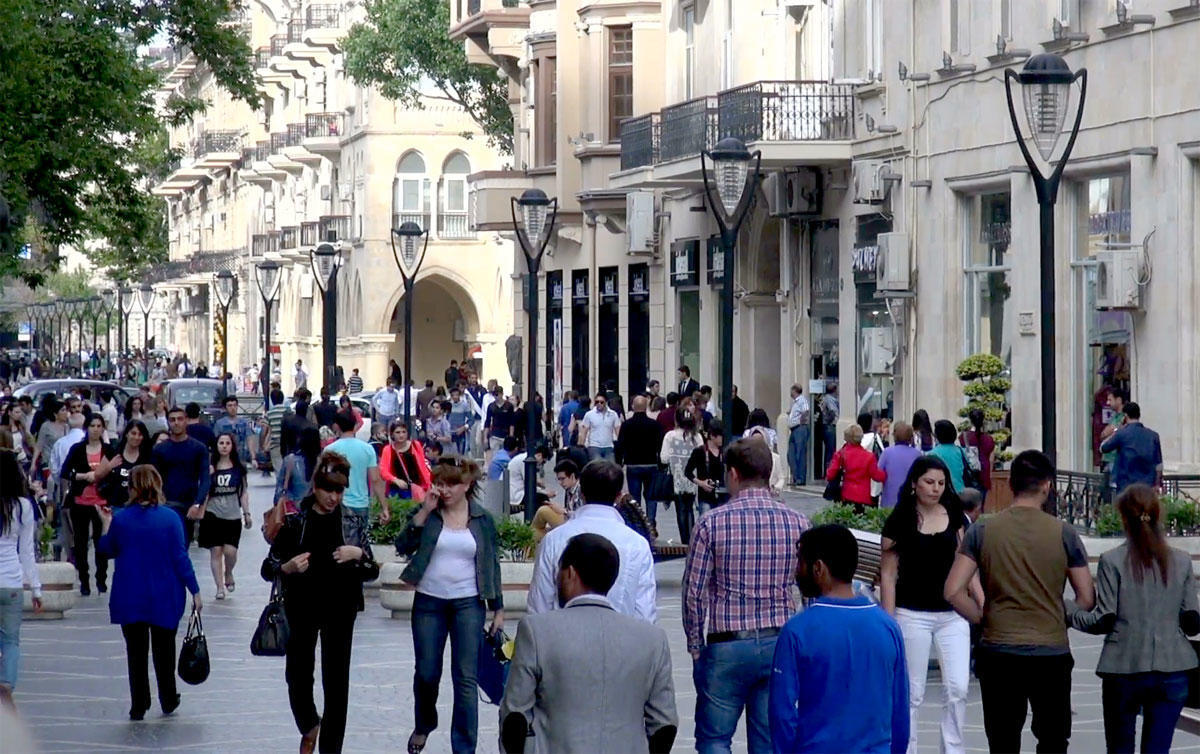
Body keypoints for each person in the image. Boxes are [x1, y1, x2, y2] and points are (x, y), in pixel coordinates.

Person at [944, 449, 1095, 754]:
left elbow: (952, 590)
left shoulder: (983, 530)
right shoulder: (1063, 533)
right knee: (1053, 740)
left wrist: (982, 616)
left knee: (1002, 740)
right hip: (1050, 650)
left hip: (999, 647)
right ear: (1047, 485)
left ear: (1010, 485)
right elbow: (1086, 597)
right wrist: (1062, 612)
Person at [682, 438, 810, 754]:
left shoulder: (711, 522)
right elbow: (808, 590)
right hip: (779, 639)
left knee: (714, 739)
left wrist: (696, 646)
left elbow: (694, 593)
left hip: (727, 641)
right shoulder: (797, 523)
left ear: (734, 474)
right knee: (768, 740)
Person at [500, 533, 678, 754]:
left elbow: (514, 717)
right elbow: (665, 724)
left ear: (570, 573)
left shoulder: (537, 630)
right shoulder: (652, 639)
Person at [261, 451, 379, 754]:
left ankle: (331, 749)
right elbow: (268, 566)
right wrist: (286, 567)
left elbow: (372, 569)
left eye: (339, 491)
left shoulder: (352, 520)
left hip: (341, 608)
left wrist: (359, 555)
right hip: (301, 607)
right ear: (316, 487)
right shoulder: (295, 519)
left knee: (337, 683)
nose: (334, 498)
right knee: (298, 675)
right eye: (329, 490)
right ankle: (310, 724)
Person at [1069, 484, 1199, 753]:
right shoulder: (1182, 561)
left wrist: (1070, 613)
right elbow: (1192, 621)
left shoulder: (1112, 560)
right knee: (1158, 748)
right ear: (1157, 514)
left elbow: (1104, 619)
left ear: (1123, 517)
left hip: (1123, 668)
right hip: (1173, 666)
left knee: (1119, 747)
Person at [769, 524, 909, 754]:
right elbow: (900, 708)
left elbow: (782, 712)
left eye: (800, 562)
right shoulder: (888, 627)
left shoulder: (797, 631)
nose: (796, 571)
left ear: (818, 568)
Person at [396, 457, 503, 754]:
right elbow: (402, 544)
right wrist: (424, 512)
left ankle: (464, 748)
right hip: (429, 602)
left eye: (451, 484)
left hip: (468, 603)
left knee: (466, 678)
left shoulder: (482, 519)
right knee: (427, 672)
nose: (443, 489)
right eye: (439, 482)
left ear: (467, 485)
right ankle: (424, 723)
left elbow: (491, 563)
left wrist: (498, 609)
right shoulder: (429, 513)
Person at [881, 457, 980, 754]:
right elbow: (888, 575)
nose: (935, 489)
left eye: (940, 483)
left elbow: (968, 568)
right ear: (914, 483)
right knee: (912, 693)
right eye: (928, 482)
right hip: (911, 613)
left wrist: (982, 604)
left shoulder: (958, 518)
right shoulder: (899, 520)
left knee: (958, 688)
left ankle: (952, 749)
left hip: (953, 614)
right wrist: (889, 621)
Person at [97, 466, 202, 721]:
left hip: (130, 594)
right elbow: (180, 557)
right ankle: (168, 697)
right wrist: (195, 590)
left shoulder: (121, 519)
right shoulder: (170, 518)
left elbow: (107, 549)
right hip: (165, 594)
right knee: (164, 651)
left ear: (132, 487)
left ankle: (139, 703)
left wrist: (105, 525)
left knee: (136, 652)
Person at [528, 460, 657, 622]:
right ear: (618, 496)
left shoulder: (553, 540)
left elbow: (540, 603)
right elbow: (645, 612)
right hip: (620, 641)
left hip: (564, 641)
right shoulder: (637, 544)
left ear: (582, 493)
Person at [0, 451, 42, 710]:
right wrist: (36, 588)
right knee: (11, 640)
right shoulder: (23, 506)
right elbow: (27, 551)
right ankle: (6, 685)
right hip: (11, 581)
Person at [60, 414, 116, 595]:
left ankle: (101, 578)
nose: (96, 429)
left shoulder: (108, 450)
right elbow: (65, 471)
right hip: (80, 501)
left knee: (101, 541)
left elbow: (115, 473)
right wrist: (83, 476)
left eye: (99, 425)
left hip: (101, 502)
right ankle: (84, 579)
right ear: (87, 428)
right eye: (92, 425)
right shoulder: (77, 449)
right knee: (81, 542)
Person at [198, 434, 251, 599]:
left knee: (230, 552)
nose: (224, 446)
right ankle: (219, 587)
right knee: (216, 551)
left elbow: (243, 493)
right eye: (221, 443)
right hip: (213, 514)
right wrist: (201, 511)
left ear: (232, 447)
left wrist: (246, 513)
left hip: (233, 515)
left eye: (228, 443)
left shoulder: (239, 469)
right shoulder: (210, 468)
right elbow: (204, 491)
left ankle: (228, 572)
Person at [151, 407, 211, 546]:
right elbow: (153, 478)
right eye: (172, 420)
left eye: (180, 419)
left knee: (183, 546)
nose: (176, 423)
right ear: (168, 422)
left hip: (188, 505)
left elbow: (205, 478)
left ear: (186, 421)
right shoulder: (159, 450)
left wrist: (198, 503)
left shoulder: (198, 448)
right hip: (164, 504)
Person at [325, 413, 388, 528]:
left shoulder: (330, 450)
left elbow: (324, 479)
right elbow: (375, 479)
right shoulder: (367, 449)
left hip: (337, 503)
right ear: (355, 426)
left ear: (337, 427)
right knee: (359, 541)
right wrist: (384, 507)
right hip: (361, 503)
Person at [616, 395, 664, 522]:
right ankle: (651, 522)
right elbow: (660, 445)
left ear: (633, 407)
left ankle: (637, 522)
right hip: (651, 464)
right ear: (646, 407)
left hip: (633, 464)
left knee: (635, 497)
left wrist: (619, 461)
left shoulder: (626, 425)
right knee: (651, 497)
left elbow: (620, 445)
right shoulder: (655, 425)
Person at [1100, 402, 1163, 495]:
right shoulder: (1153, 436)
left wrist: (1116, 430)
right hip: (1147, 487)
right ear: (1139, 415)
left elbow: (1103, 448)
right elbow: (1159, 465)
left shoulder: (1121, 434)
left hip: (1126, 487)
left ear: (1125, 416)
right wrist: (1157, 484)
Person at [660, 409, 703, 544]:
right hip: (692, 477)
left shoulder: (670, 436)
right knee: (689, 508)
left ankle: (684, 539)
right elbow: (702, 455)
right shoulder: (697, 437)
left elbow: (664, 458)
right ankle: (691, 538)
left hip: (676, 476)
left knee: (680, 509)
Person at [825, 424, 886, 510]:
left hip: (846, 495)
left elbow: (830, 475)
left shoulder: (840, 454)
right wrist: (886, 473)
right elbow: (877, 476)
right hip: (863, 497)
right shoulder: (869, 457)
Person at [95, 420, 153, 508]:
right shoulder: (113, 451)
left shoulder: (146, 456)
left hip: (138, 507)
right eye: (133, 433)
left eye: (140, 434)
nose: (136, 437)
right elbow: (97, 475)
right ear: (126, 434)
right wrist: (110, 466)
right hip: (115, 506)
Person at [530, 460, 582, 543]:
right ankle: (528, 547)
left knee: (543, 511)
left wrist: (563, 511)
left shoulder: (580, 490)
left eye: (562, 479)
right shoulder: (569, 489)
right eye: (558, 479)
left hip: (576, 526)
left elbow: (583, 515)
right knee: (535, 533)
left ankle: (526, 547)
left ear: (572, 476)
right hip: (568, 521)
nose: (560, 483)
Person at [380, 420, 432, 501]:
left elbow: (423, 467)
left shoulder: (416, 445)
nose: (401, 435)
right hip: (396, 490)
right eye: (398, 432)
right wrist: (395, 480)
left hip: (415, 488)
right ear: (392, 434)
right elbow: (383, 471)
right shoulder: (387, 450)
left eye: (404, 432)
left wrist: (428, 485)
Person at [686, 419, 729, 514]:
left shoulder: (724, 452)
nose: (722, 439)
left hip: (721, 494)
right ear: (712, 436)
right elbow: (687, 472)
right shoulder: (699, 452)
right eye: (720, 436)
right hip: (705, 496)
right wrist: (701, 483)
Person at [878, 422, 923, 508]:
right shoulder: (917, 454)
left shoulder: (887, 452)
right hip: (911, 500)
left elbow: (878, 474)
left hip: (889, 500)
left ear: (894, 435)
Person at [958, 408, 995, 501]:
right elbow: (991, 459)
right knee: (980, 506)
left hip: (969, 474)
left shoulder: (964, 437)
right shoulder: (989, 439)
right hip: (984, 475)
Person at [926, 419, 970, 494]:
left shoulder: (932, 454)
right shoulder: (960, 451)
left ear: (937, 435)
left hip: (940, 493)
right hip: (960, 491)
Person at [508, 444, 551, 512]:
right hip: (515, 494)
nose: (541, 464)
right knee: (542, 499)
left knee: (542, 498)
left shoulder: (525, 457)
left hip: (516, 490)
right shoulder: (525, 461)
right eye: (543, 461)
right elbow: (529, 484)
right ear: (539, 455)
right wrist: (545, 492)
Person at [213, 396, 252, 463]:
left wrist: (253, 456)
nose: (233, 408)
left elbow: (249, 438)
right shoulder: (220, 423)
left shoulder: (244, 422)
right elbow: (215, 441)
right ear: (225, 408)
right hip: (225, 459)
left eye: (235, 405)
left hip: (241, 457)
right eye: (230, 406)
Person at [820, 382, 840, 469]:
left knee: (830, 450)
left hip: (829, 426)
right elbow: (832, 412)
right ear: (834, 390)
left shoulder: (830, 399)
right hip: (830, 427)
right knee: (831, 450)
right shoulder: (829, 399)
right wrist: (829, 421)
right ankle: (829, 470)